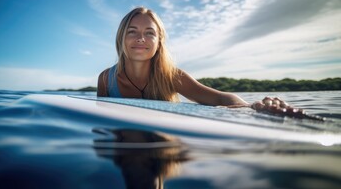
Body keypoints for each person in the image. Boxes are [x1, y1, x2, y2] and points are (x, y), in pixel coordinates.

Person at [97, 6, 309, 117]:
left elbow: (221, 98)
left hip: (162, 142)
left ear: (159, 41)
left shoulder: (171, 76)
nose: (141, 38)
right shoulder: (106, 80)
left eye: (149, 33)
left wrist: (252, 107)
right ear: (121, 37)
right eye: (132, 31)